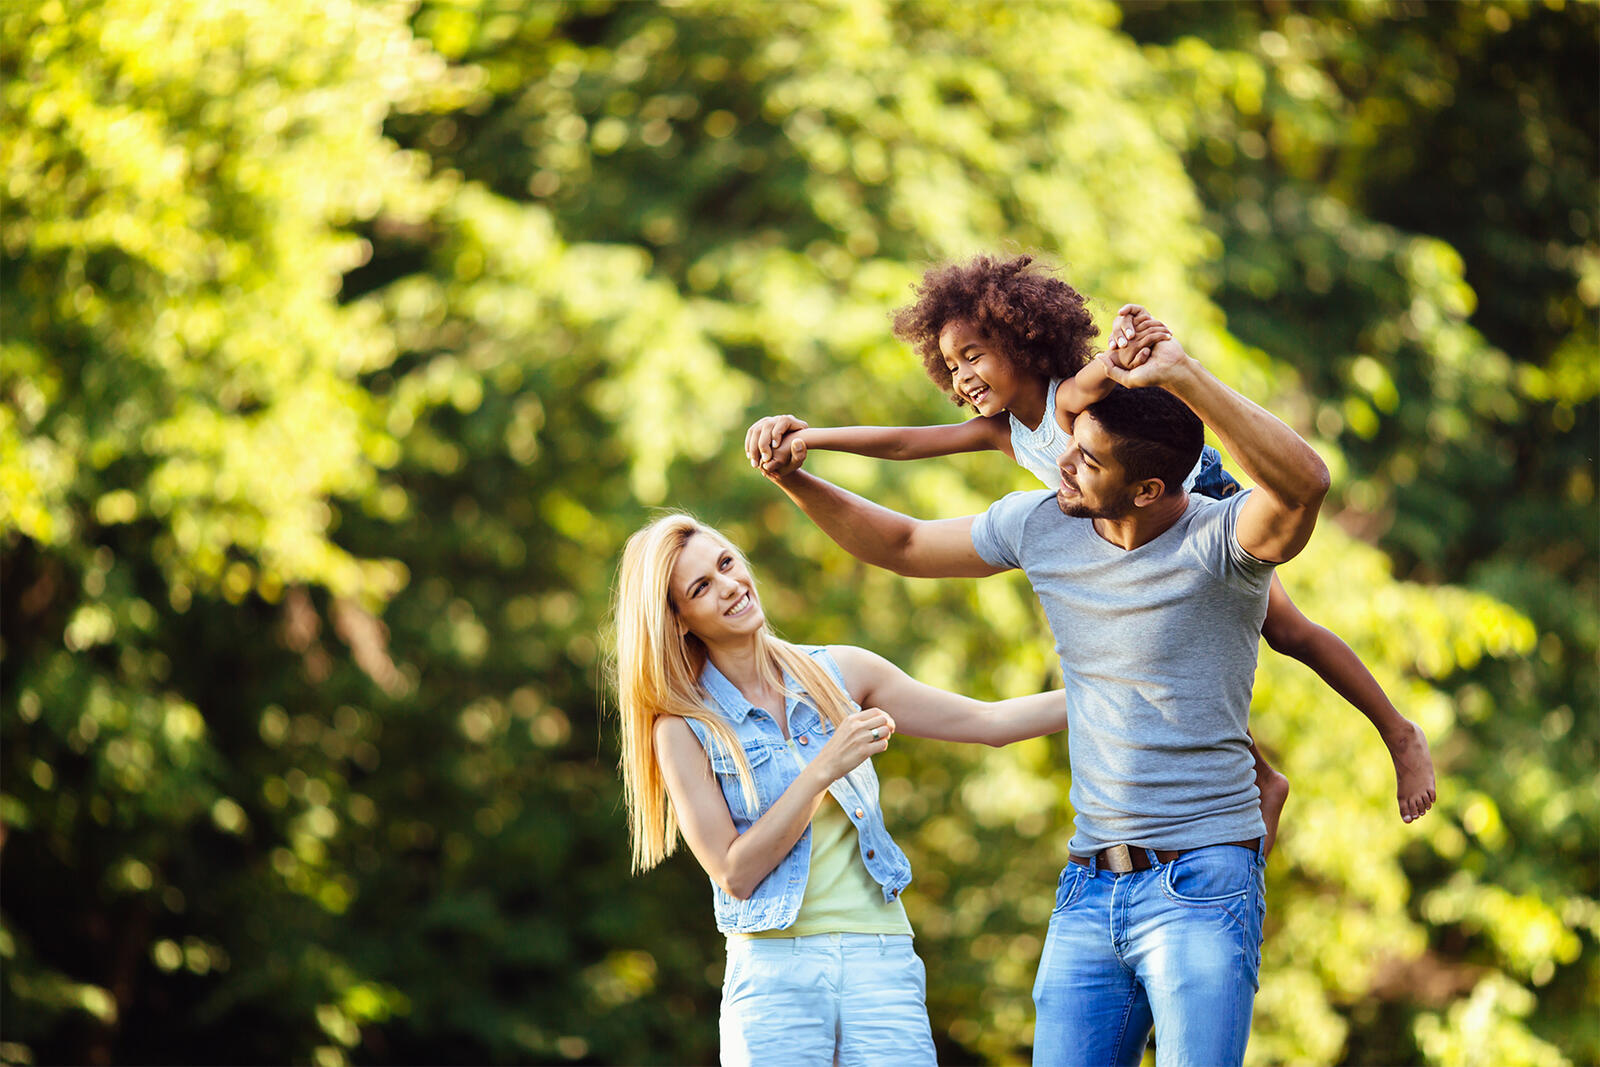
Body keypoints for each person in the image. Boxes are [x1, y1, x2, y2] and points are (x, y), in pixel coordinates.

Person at [744, 312, 1343, 1066]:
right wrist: (797, 477)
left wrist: (1184, 374)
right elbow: (900, 543)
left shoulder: (1225, 543)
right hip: (1087, 887)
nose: (1061, 462)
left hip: (1203, 879)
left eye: (1088, 460)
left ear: (1149, 487)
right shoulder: (1040, 524)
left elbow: (1306, 482)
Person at [744, 254, 1435, 836]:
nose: (962, 378)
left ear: (1023, 340)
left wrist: (1130, 339)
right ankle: (1261, 776)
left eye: (974, 355)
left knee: (1291, 632)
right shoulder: (1001, 432)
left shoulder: (1070, 399)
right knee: (1155, 661)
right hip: (1131, 538)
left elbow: (1112, 367)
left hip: (1197, 508)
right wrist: (813, 439)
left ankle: (1398, 731)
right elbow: (901, 442)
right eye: (951, 367)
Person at [610, 512, 1070, 1067]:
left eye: (726, 563)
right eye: (701, 588)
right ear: (679, 620)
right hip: (775, 973)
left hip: (881, 959)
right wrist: (823, 767)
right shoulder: (683, 729)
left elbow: (990, 724)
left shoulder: (843, 672)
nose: (730, 586)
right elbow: (735, 873)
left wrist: (1119, 685)